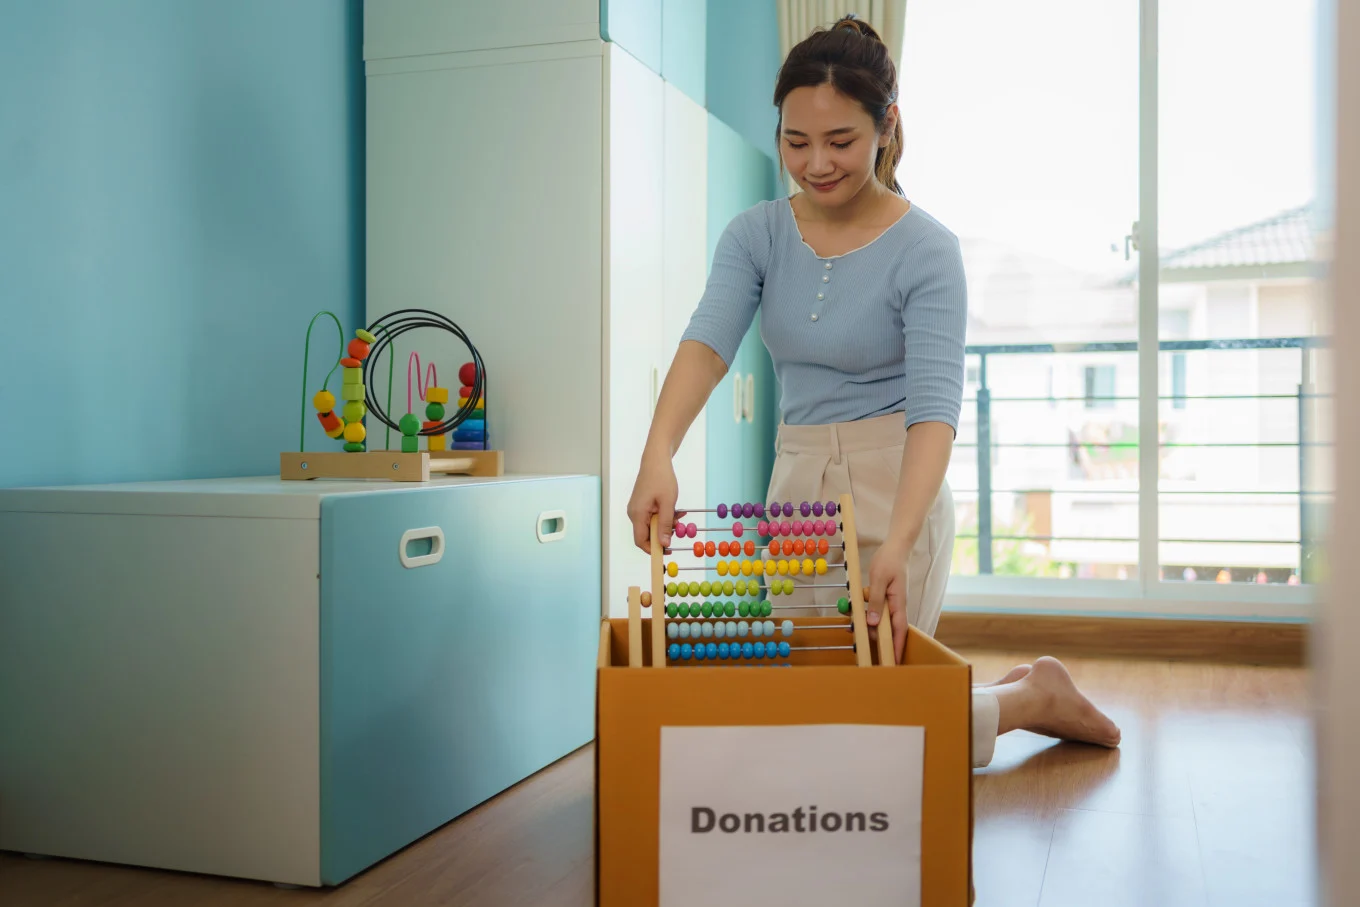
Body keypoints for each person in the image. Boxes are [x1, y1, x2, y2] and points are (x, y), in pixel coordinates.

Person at [625, 15, 1119, 768]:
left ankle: (1026, 701)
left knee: (878, 730)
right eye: (796, 142)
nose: (816, 163)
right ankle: (1028, 695)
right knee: (807, 705)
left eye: (841, 142)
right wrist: (658, 452)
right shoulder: (755, 235)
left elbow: (934, 409)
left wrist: (899, 540)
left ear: (886, 127)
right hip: (796, 488)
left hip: (899, 488)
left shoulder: (927, 250)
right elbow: (705, 344)